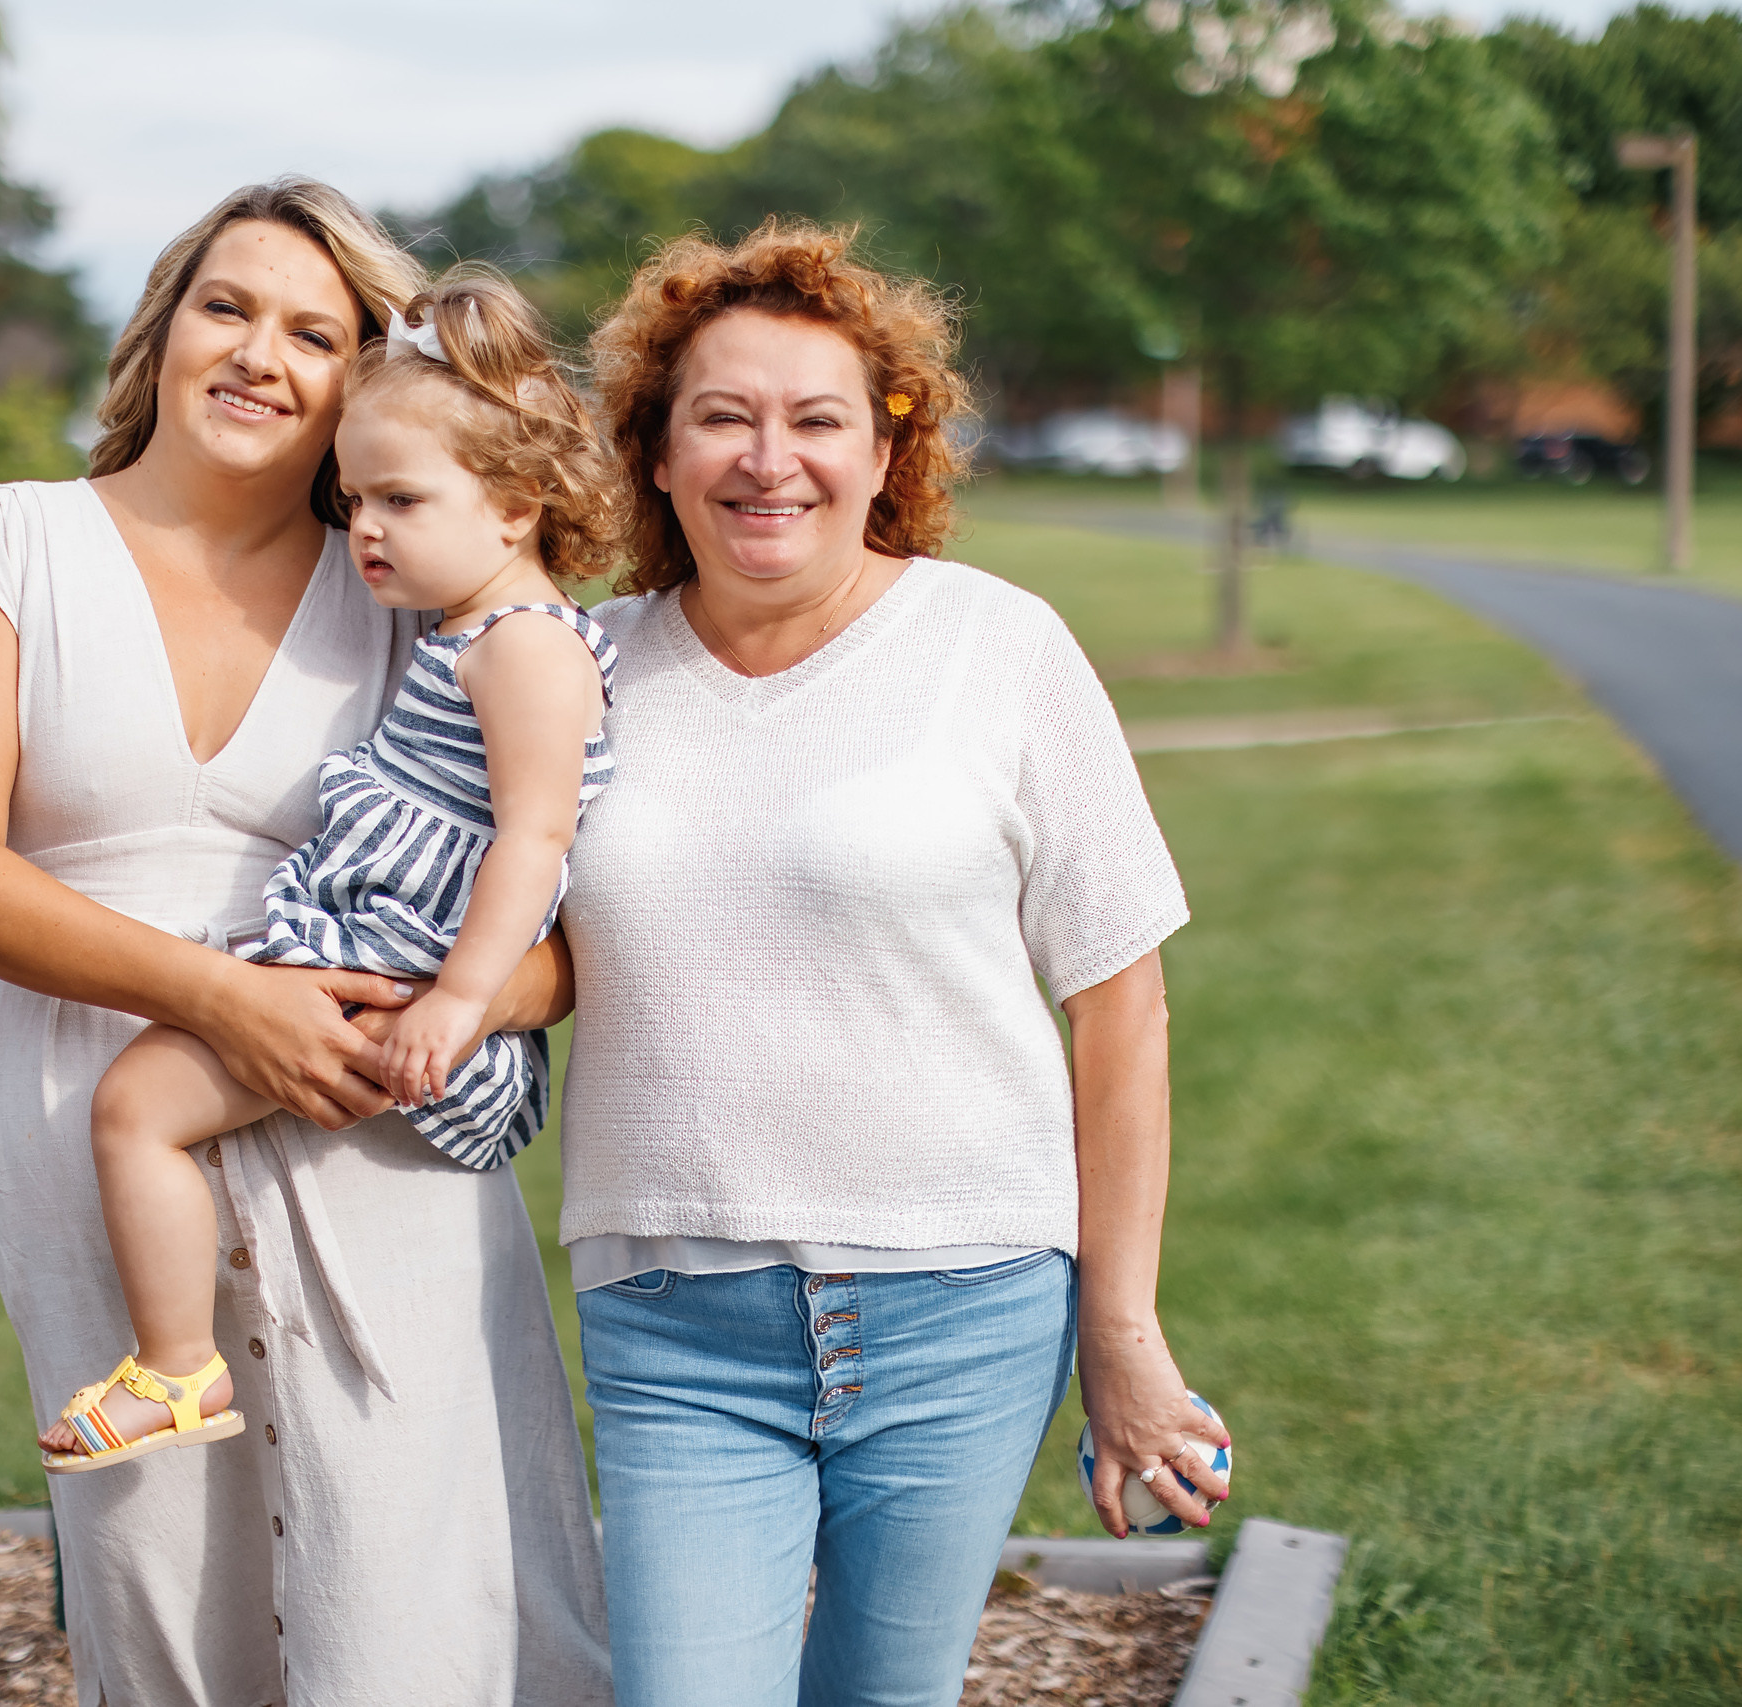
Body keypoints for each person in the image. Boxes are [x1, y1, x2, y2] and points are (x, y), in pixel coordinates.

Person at [0, 179, 609, 1707]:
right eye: (229, 306)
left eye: (315, 330)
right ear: (162, 329)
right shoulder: (11, 545)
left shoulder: (413, 582)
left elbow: (567, 906)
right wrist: (224, 997)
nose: (261, 353)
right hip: (97, 1106)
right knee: (165, 1591)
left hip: (368, 1115)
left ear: (365, 379)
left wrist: (429, 1011)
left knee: (422, 1570)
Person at [558, 222, 1231, 1707]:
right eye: (721, 415)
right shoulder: (574, 670)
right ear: (655, 450)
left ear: (885, 449)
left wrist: (1123, 1336)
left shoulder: (999, 647)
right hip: (678, 1317)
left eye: (816, 419)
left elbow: (1120, 1004)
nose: (767, 458)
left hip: (965, 1305)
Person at [41, 269, 623, 1474]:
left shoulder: (527, 651)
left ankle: (177, 1369)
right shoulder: (466, 630)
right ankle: (181, 1358)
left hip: (396, 967)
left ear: (514, 506)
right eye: (354, 498)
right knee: (142, 1110)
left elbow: (535, 841)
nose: (365, 528)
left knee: (135, 1108)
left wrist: (462, 998)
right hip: (373, 949)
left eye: (401, 500)